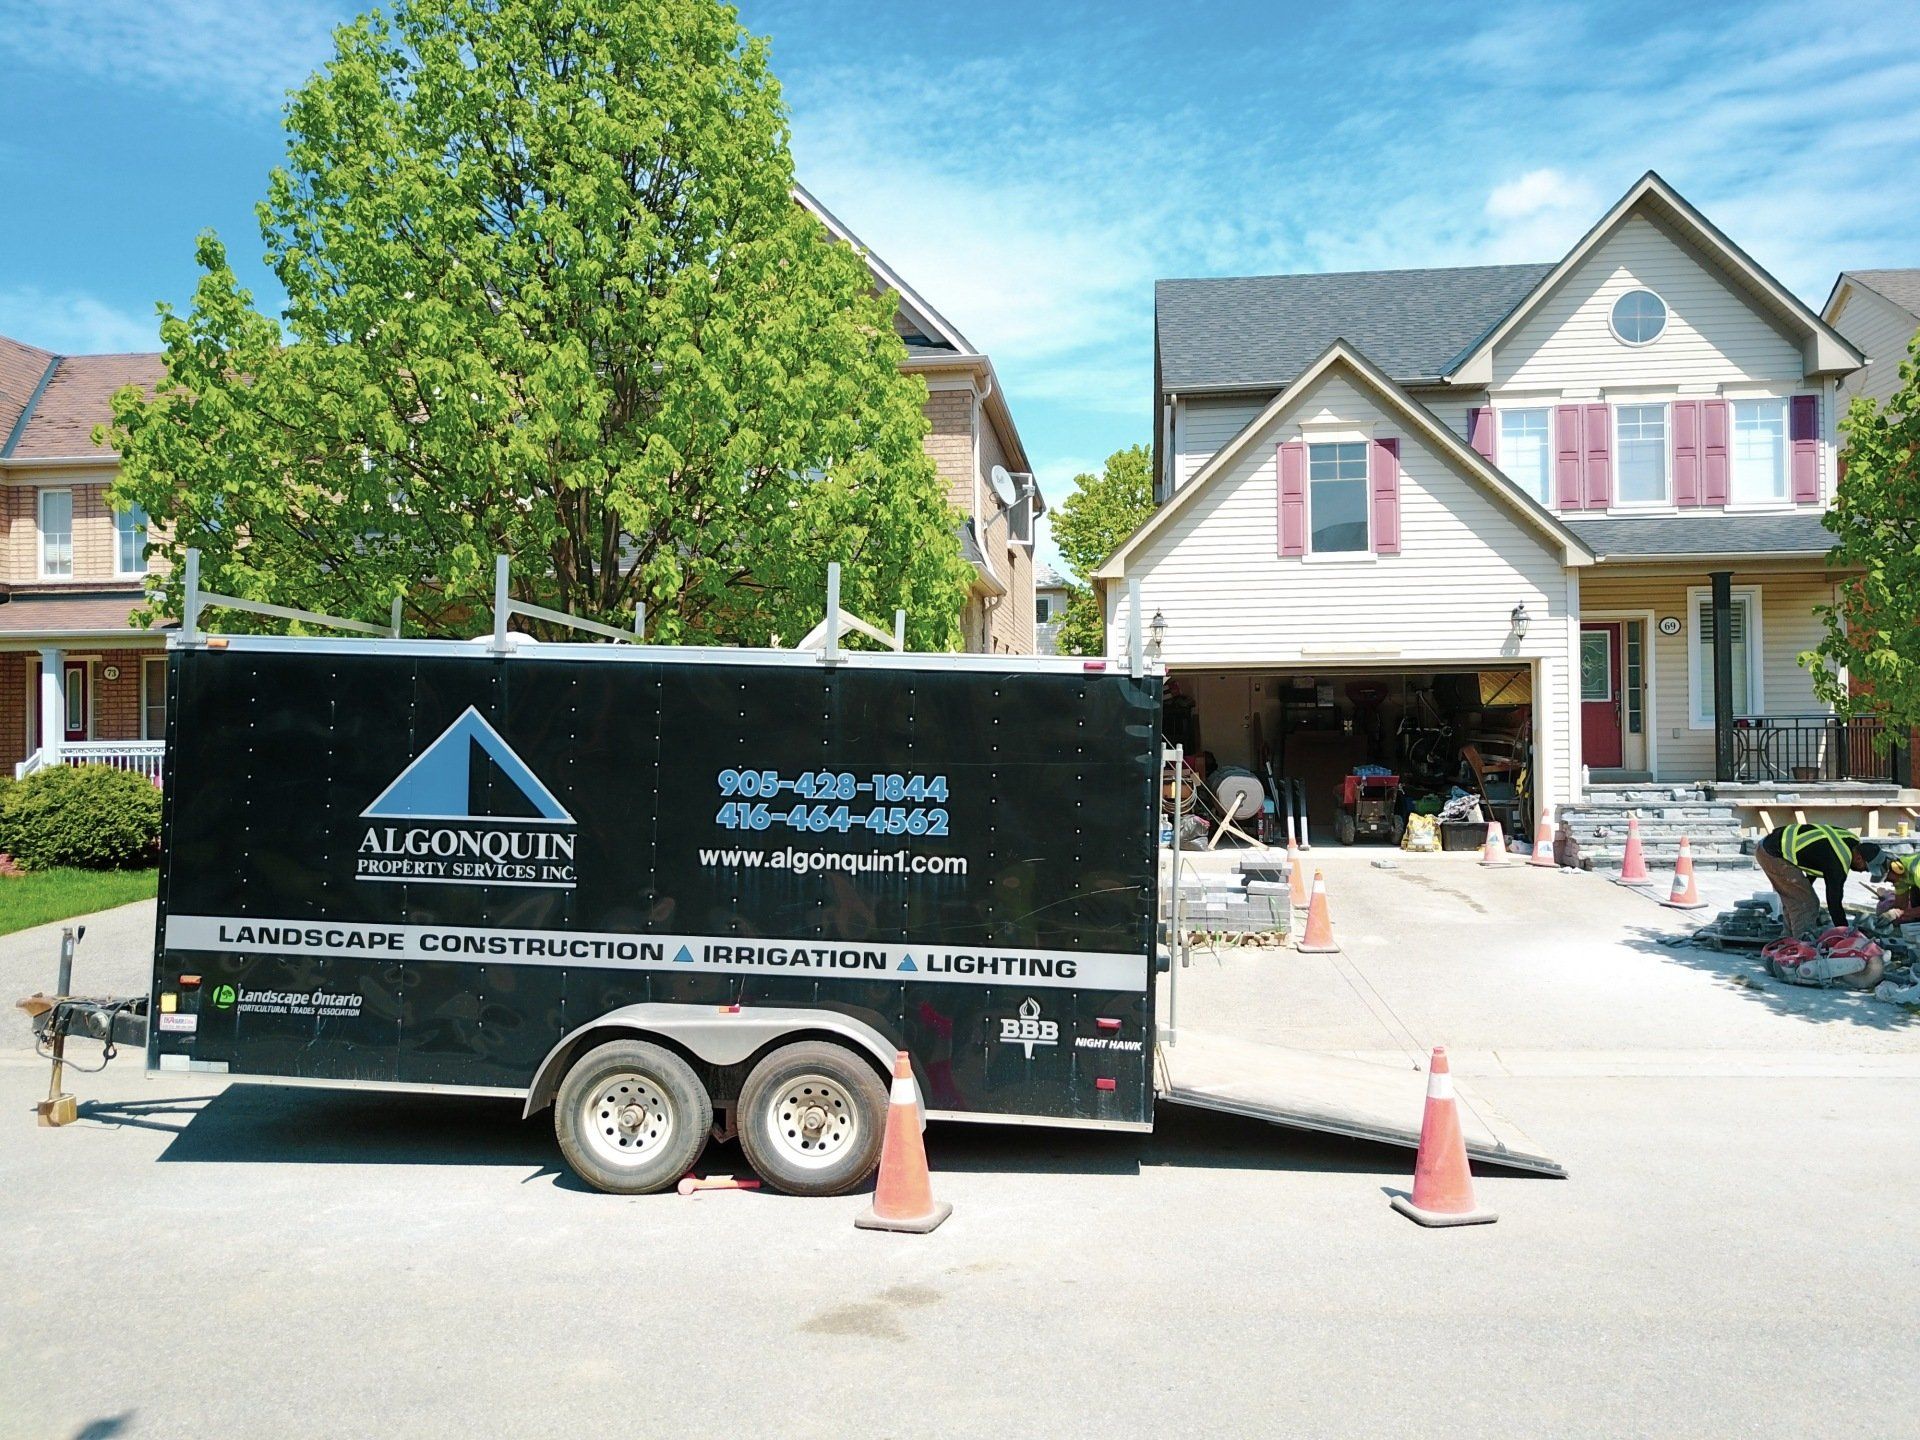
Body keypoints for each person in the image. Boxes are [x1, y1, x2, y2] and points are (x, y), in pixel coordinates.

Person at [1755, 822, 1880, 938]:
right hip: (1773, 853)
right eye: (1866, 867)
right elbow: (1834, 903)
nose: (1864, 871)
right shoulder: (1840, 861)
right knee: (1807, 903)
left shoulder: (1851, 840)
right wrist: (1845, 934)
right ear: (1858, 858)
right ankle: (1802, 949)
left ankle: (1786, 943)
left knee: (1797, 899)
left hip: (1770, 845)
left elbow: (1818, 854)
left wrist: (1804, 888)